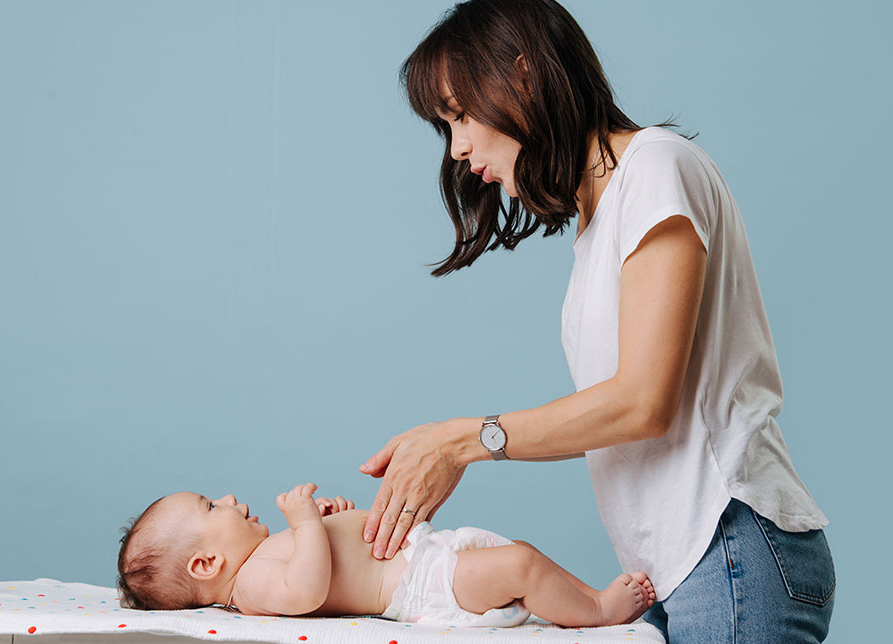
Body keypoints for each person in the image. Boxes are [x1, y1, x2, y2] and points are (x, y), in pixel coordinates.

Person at [358, 0, 836, 641]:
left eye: (461, 114)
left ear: (523, 76)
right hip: (682, 568)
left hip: (728, 547)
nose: (459, 148)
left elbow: (642, 404)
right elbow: (615, 415)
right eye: (446, 126)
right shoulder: (599, 225)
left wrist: (464, 441)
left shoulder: (655, 169)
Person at [115, 483, 656, 628]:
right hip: (422, 586)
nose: (230, 499)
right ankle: (600, 613)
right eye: (212, 506)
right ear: (206, 565)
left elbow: (324, 560)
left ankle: (584, 599)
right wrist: (305, 524)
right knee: (521, 567)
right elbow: (306, 592)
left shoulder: (261, 557)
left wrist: (326, 522)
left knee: (524, 557)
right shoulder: (249, 588)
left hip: (425, 555)